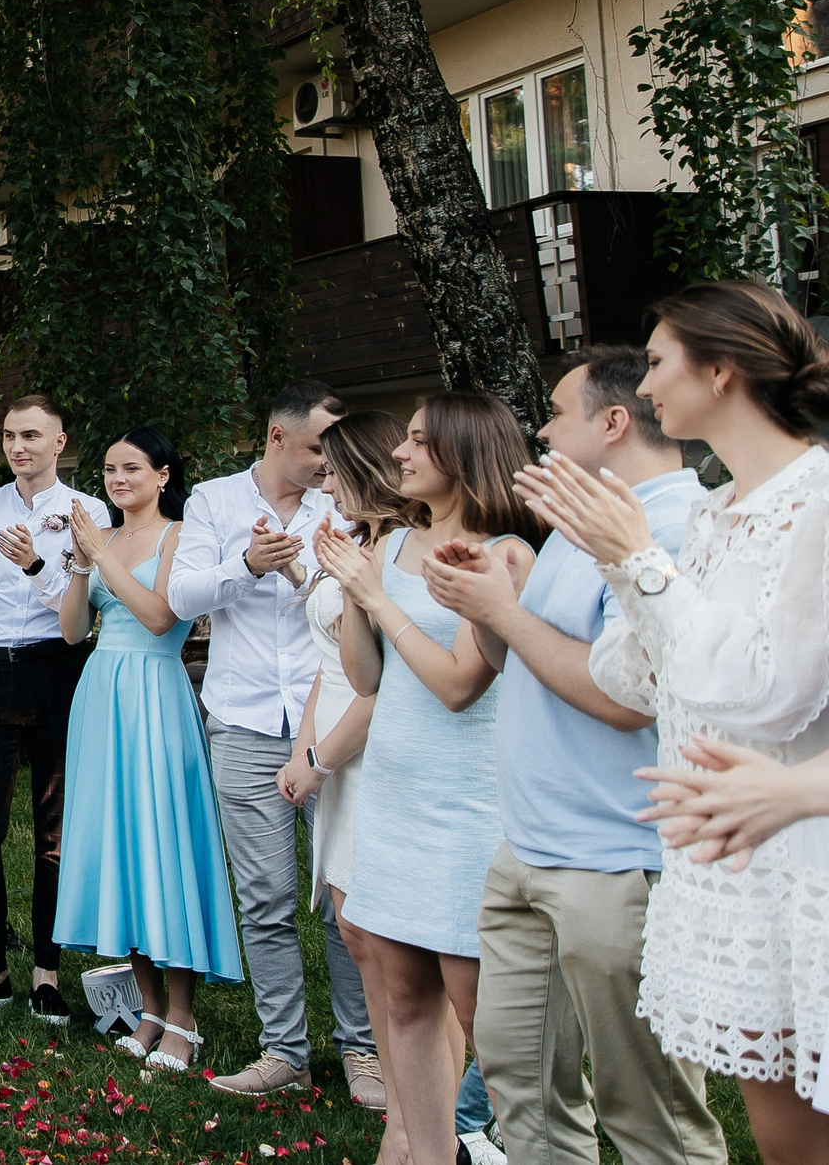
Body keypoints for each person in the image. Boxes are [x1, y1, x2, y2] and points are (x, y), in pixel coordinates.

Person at [517, 280, 829, 1163]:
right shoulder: (717, 510)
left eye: (658, 362)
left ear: (721, 370)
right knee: (783, 1141)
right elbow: (643, 676)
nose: (646, 386)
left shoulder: (817, 502)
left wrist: (641, 562)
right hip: (733, 864)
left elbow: (769, 690)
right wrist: (619, 566)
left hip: (807, 855)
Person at [418, 349, 728, 1165]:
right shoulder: (575, 523)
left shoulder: (672, 530)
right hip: (527, 848)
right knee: (521, 1090)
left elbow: (627, 699)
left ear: (614, 422)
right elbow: (517, 656)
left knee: (651, 1114)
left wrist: (505, 615)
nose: (544, 432)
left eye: (557, 414)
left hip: (618, 857)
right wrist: (482, 601)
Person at [318, 395, 537, 1165]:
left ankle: (524, 1144)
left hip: (470, 807)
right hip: (394, 799)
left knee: (485, 1016)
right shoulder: (394, 545)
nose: (401, 454)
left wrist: (377, 598)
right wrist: (356, 594)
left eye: (417, 441)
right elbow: (366, 678)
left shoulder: (504, 555)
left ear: (461, 451)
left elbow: (457, 685)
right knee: (405, 999)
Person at [169, 379, 378, 1100]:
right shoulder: (214, 502)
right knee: (265, 897)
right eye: (319, 447)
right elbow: (181, 596)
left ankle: (363, 1050)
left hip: (334, 723)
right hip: (245, 718)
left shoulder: (344, 502)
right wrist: (246, 567)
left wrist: (300, 569)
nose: (328, 462)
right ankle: (284, 1051)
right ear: (277, 437)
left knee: (346, 893)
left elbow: (355, 598)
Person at [45, 427, 242, 1072]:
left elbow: (161, 618)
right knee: (123, 845)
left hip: (156, 694)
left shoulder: (181, 536)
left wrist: (101, 554)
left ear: (163, 475)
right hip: (101, 695)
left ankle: (184, 1015)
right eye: (109, 469)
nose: (117, 479)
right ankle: (149, 1008)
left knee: (164, 840)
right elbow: (73, 632)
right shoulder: (102, 539)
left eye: (131, 468)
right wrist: (82, 563)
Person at [0, 394, 109, 1024]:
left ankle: (46, 974)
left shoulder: (87, 512)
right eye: (10, 435)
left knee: (52, 830)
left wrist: (34, 565)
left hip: (56, 669)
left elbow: (77, 611)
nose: (18, 447)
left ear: (59, 442)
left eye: (31, 435)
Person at [275, 411, 413, 1131]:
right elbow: (325, 667)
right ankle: (404, 1094)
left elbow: (378, 686)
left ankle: (427, 1095)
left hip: (369, 754)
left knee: (381, 937)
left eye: (332, 472)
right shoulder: (356, 545)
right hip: (328, 739)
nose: (324, 486)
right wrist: (304, 750)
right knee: (353, 930)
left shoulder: (398, 553)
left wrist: (323, 761)